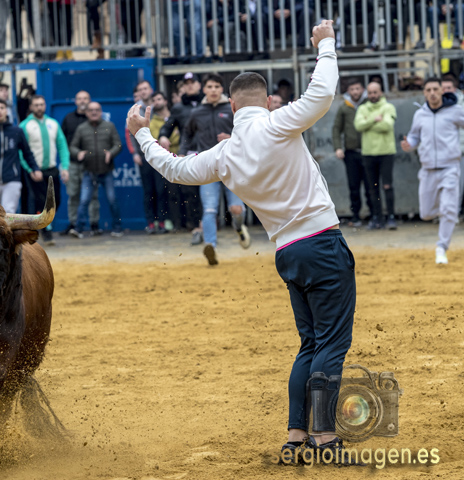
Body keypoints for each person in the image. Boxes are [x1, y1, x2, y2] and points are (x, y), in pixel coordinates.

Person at [128, 20, 360, 464]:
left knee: (310, 344)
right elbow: (321, 93)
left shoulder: (226, 152)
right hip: (321, 242)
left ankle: (296, 435)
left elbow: (173, 168)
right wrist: (326, 44)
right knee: (330, 344)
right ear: (268, 101)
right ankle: (325, 437)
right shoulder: (278, 124)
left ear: (231, 105)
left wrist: (142, 132)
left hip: (287, 252)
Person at [181, 73, 251, 265]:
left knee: (236, 209)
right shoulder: (197, 112)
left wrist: (232, 138)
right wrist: (182, 153)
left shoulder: (232, 109)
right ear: (204, 89)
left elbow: (247, 133)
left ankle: (239, 227)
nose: (213, 90)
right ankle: (210, 246)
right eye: (210, 86)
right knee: (210, 209)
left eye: (217, 86)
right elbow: (186, 133)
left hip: (232, 166)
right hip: (208, 167)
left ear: (222, 89)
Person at [401, 78, 464, 264]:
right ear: (424, 93)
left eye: (435, 89)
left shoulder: (455, 110)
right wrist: (409, 144)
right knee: (426, 213)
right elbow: (414, 136)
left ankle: (441, 247)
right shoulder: (420, 114)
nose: (432, 93)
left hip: (450, 167)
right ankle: (443, 213)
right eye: (428, 90)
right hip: (427, 169)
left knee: (449, 209)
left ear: (442, 91)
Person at [0, 100, 42, 213]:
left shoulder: (17, 132)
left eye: (2, 108)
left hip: (12, 179)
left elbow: (27, 153)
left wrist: (35, 168)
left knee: (8, 212)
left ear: (6, 111)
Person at [19, 95, 70, 245]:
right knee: (40, 201)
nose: (39, 107)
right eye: (36, 105)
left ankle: (45, 225)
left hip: (52, 169)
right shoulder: (24, 125)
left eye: (41, 104)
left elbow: (62, 145)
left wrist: (65, 167)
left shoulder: (53, 123)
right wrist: (30, 169)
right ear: (31, 107)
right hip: (35, 170)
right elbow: (21, 151)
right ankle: (46, 232)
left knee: (56, 200)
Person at [159, 72, 204, 243]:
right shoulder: (178, 108)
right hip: (188, 154)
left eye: (193, 82)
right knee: (190, 192)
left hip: (210, 152)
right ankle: (196, 227)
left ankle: (212, 224)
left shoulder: (208, 103)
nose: (190, 85)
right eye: (187, 83)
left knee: (211, 192)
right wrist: (163, 136)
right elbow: (167, 127)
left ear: (199, 85)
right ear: (183, 87)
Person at [69, 102, 123, 237]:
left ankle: (117, 228)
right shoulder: (81, 128)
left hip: (106, 171)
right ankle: (78, 229)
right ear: (87, 113)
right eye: (91, 110)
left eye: (97, 110)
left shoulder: (109, 126)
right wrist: (78, 153)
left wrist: (111, 153)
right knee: (84, 201)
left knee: (112, 199)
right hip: (89, 172)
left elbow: (118, 144)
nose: (94, 112)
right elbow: (73, 146)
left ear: (101, 112)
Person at [354, 81, 398, 230]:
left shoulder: (388, 107)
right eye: (370, 92)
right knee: (373, 188)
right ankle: (377, 218)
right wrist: (374, 119)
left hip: (386, 152)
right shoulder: (362, 108)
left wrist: (368, 122)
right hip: (368, 153)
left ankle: (391, 217)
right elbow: (358, 126)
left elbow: (387, 125)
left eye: (375, 92)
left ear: (381, 92)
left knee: (387, 186)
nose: (373, 95)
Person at [131, 80, 170, 234]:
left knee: (161, 190)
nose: (143, 91)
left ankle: (162, 221)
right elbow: (130, 133)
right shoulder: (136, 109)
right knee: (148, 191)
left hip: (160, 154)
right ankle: (151, 222)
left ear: (151, 90)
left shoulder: (157, 107)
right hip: (144, 156)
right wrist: (135, 153)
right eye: (140, 89)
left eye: (145, 88)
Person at [332, 78, 372, 227]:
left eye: (357, 89)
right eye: (352, 89)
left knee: (370, 186)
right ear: (348, 91)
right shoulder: (344, 107)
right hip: (351, 152)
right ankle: (356, 216)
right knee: (353, 186)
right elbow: (336, 128)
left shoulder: (368, 104)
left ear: (362, 90)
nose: (355, 92)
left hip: (368, 151)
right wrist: (338, 147)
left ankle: (374, 215)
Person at [61, 90, 101, 235]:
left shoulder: (94, 119)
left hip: (90, 164)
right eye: (80, 98)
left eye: (85, 98)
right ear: (75, 101)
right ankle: (73, 224)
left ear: (89, 100)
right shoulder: (68, 118)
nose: (82, 101)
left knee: (92, 196)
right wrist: (64, 165)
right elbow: (62, 142)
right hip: (72, 163)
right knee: (73, 195)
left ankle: (94, 224)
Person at [149, 91, 182, 232]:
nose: (157, 102)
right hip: (165, 161)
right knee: (168, 193)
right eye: (154, 100)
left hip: (181, 158)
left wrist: (169, 137)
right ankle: (175, 223)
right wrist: (173, 135)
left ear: (166, 101)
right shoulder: (152, 122)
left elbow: (181, 137)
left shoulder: (176, 116)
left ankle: (188, 223)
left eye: (159, 99)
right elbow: (157, 140)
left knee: (186, 192)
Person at [441, 74, 464, 221]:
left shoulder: (461, 105)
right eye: (443, 88)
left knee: (457, 185)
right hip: (442, 154)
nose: (446, 91)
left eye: (449, 88)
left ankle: (453, 214)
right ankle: (445, 214)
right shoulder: (435, 105)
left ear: (455, 89)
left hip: (460, 151)